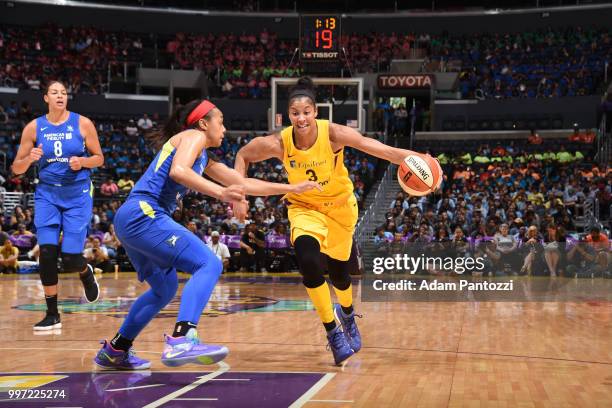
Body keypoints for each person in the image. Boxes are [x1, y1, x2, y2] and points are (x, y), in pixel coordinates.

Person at [94, 99, 319, 370]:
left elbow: (244, 183)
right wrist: (221, 193)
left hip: (131, 219)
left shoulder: (204, 157)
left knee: (163, 290)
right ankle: (182, 340)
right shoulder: (192, 136)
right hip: (144, 213)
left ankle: (116, 349)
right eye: (220, 121)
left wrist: (292, 188)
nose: (224, 128)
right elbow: (179, 171)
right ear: (203, 123)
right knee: (208, 263)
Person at [234, 77, 441, 365]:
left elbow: (382, 150)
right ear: (288, 115)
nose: (301, 118)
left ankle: (347, 314)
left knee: (340, 274)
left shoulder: (332, 134)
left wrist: (418, 157)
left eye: (306, 112)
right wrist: (237, 194)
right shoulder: (278, 142)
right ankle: (333, 332)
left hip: (340, 209)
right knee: (307, 259)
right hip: (304, 208)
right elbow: (243, 155)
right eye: (295, 113)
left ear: (315, 112)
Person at [11, 80, 103, 331]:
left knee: (72, 257)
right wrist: (29, 159)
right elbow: (16, 169)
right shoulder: (34, 127)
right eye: (55, 92)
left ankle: (85, 272)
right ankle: (52, 314)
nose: (60, 95)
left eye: (64, 92)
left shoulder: (82, 123)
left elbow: (99, 158)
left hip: (77, 195)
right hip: (47, 195)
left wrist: (83, 162)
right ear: (46, 98)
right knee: (48, 255)